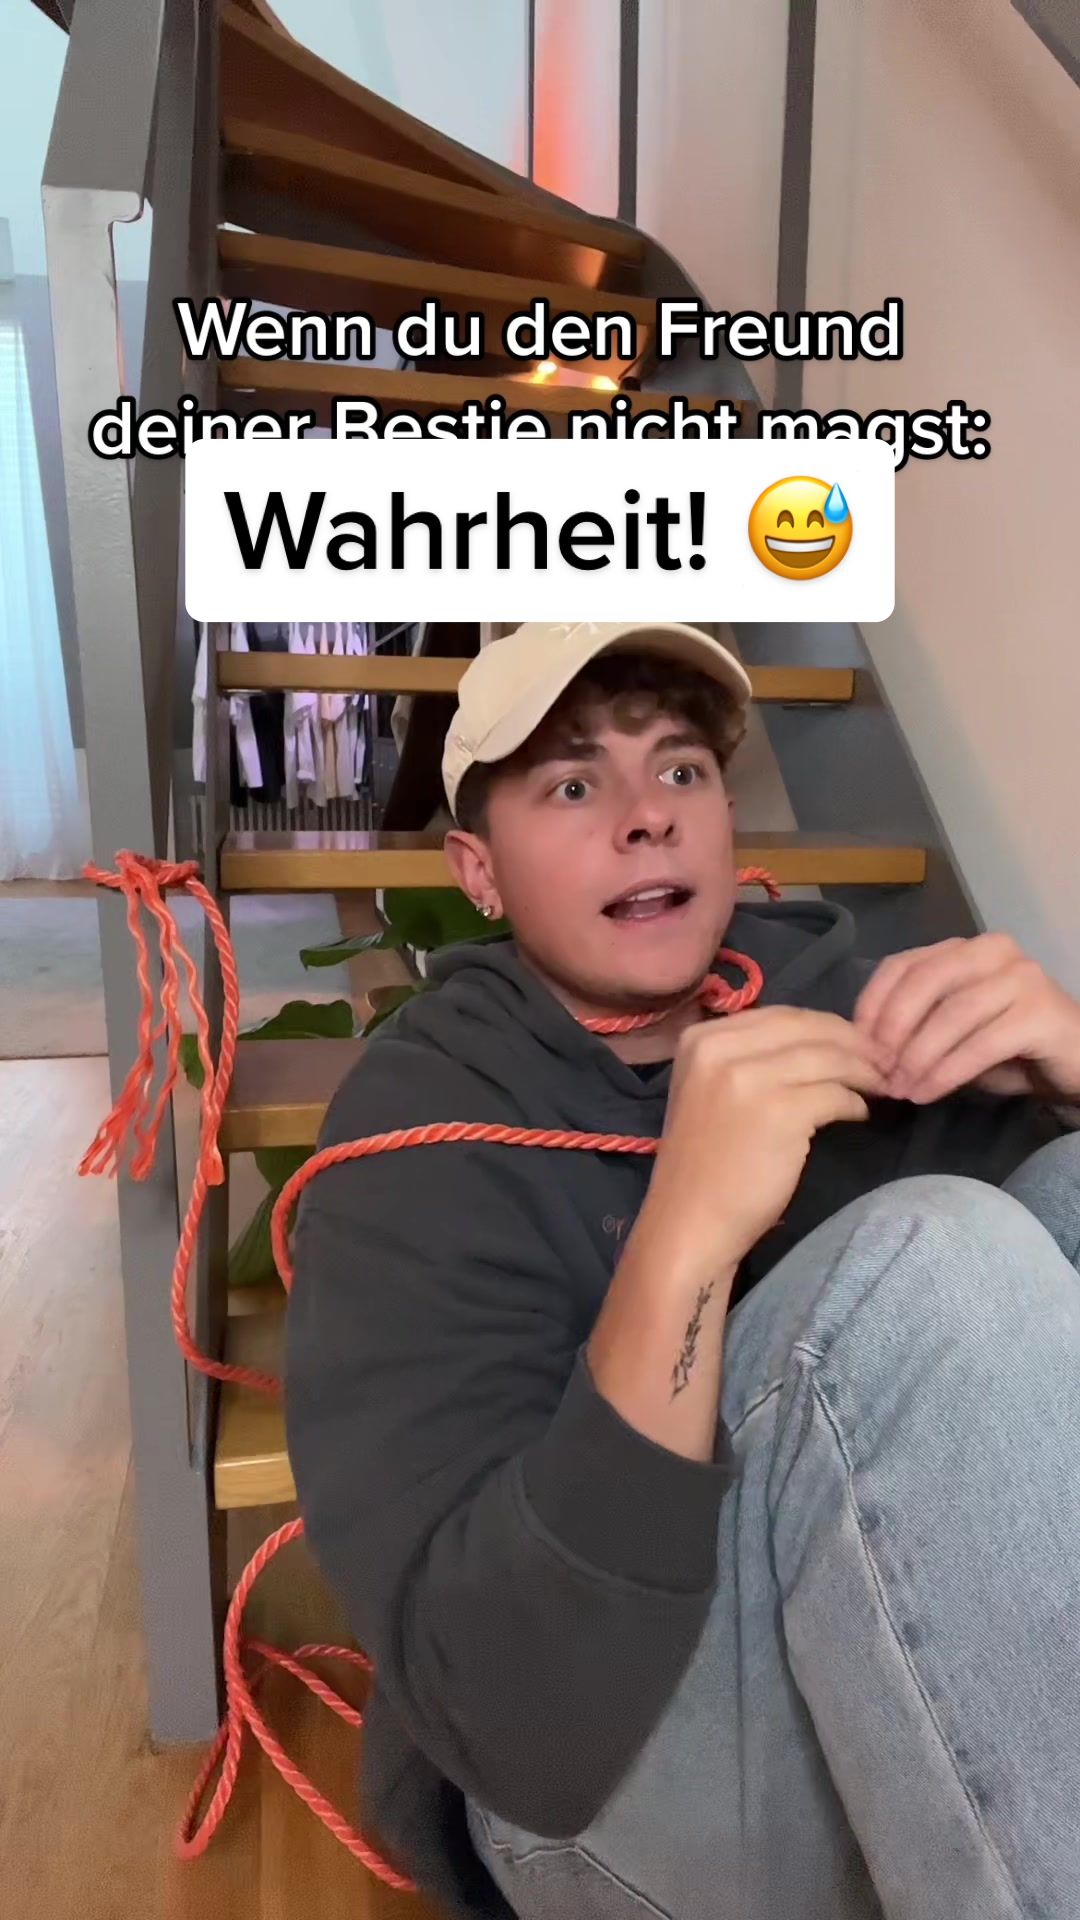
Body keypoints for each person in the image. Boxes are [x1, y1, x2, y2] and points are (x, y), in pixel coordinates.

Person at [286, 620, 1080, 1920]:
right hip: (584, 1781)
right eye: (573, 784)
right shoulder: (412, 1133)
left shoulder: (847, 1012)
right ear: (478, 873)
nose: (646, 815)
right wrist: (684, 1234)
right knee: (932, 1261)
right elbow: (508, 1716)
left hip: (898, 1668)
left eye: (681, 770)